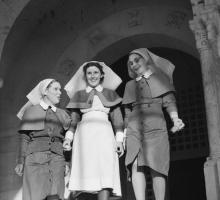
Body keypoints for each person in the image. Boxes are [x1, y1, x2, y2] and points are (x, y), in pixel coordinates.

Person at [122, 48, 185, 200]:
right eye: (131, 63)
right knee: (136, 164)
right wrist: (124, 134)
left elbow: (169, 102)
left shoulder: (159, 78)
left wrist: (175, 119)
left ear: (146, 60)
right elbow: (127, 112)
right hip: (134, 129)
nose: (134, 65)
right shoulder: (129, 85)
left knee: (157, 166)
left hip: (155, 126)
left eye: (137, 60)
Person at [63, 61, 125, 200]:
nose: (92, 76)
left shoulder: (110, 93)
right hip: (84, 136)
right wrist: (68, 138)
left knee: (105, 170)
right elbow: (74, 120)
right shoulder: (79, 95)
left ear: (102, 75)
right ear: (85, 76)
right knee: (86, 172)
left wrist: (119, 140)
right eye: (89, 73)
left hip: (105, 134)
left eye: (96, 72)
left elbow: (117, 120)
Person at [15, 78, 71, 200]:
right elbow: (24, 138)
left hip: (57, 159)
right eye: (55, 89)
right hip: (35, 159)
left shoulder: (63, 114)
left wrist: (67, 162)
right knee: (36, 196)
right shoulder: (31, 112)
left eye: (60, 89)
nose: (60, 92)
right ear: (45, 91)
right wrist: (20, 161)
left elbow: (68, 139)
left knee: (55, 196)